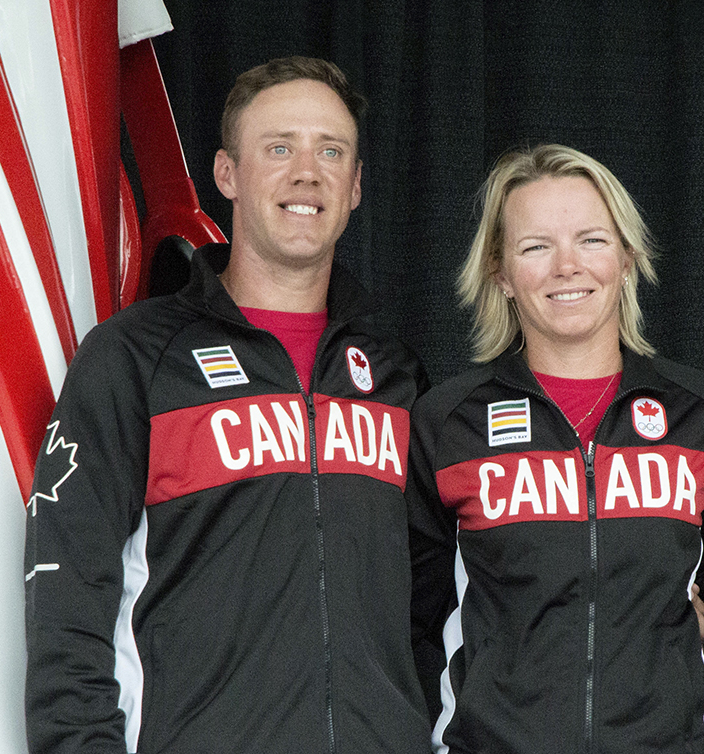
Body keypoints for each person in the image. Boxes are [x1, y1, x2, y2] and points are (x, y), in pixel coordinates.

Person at [23, 56, 431, 753]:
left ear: (356, 185)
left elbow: (443, 601)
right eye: (279, 148)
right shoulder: (134, 359)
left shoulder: (396, 378)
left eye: (331, 151)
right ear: (226, 175)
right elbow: (67, 604)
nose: (307, 172)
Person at [409, 144, 704, 753]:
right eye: (535, 246)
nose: (566, 266)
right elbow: (411, 623)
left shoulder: (702, 416)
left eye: (592, 240)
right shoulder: (448, 423)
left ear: (627, 257)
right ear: (500, 272)